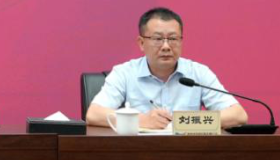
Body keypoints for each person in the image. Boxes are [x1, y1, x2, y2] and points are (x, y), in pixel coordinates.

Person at [86, 7, 248, 129]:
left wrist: (183, 123)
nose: (166, 46)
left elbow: (238, 115)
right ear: (141, 43)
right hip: (137, 153)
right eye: (157, 39)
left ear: (181, 41)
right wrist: (141, 120)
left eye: (173, 38)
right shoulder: (124, 73)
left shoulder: (198, 73)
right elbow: (94, 114)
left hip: (188, 153)